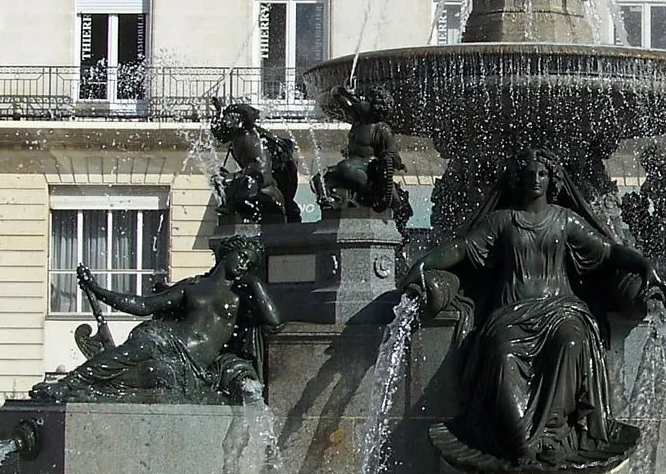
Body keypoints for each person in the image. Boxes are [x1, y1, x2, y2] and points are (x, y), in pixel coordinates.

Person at [404, 148, 665, 473]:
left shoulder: (565, 220)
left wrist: (644, 265)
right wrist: (423, 264)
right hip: (511, 313)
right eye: (529, 173)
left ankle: (554, 436)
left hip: (562, 310)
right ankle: (520, 442)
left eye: (542, 173)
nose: (535, 179)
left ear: (552, 179)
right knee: (500, 354)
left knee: (571, 342)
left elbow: (609, 250)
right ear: (518, 179)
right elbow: (463, 247)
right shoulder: (503, 220)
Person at [30, 235, 282, 405]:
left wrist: (256, 284)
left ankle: (83, 387)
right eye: (242, 256)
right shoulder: (192, 286)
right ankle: (68, 384)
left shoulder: (240, 295)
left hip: (191, 365)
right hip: (166, 340)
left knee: (149, 373)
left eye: (250, 263)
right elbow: (144, 305)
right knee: (134, 350)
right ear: (227, 253)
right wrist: (98, 291)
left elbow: (274, 322)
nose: (244, 264)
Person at [313, 84, 411, 231]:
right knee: (318, 179)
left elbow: (395, 158)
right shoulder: (357, 119)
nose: (362, 101)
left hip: (368, 170)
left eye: (367, 100)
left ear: (375, 106)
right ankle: (329, 202)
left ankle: (367, 195)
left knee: (345, 167)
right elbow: (337, 95)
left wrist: (389, 158)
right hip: (352, 167)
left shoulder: (381, 129)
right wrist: (343, 91)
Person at [210, 101, 301, 224]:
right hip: (260, 187)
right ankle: (231, 209)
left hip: (264, 191)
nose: (217, 134)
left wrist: (233, 176)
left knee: (222, 181)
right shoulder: (237, 140)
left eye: (218, 128)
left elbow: (258, 167)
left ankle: (231, 208)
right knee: (219, 180)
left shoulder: (245, 135)